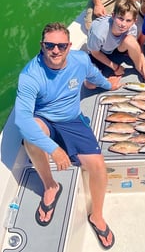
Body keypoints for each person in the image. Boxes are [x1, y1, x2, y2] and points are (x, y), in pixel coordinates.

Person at [14, 22, 122, 249]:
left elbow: (94, 76)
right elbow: (22, 120)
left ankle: (97, 215)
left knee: (98, 166)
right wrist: (53, 148)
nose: (55, 50)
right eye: (50, 45)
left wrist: (108, 85)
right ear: (42, 46)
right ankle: (50, 186)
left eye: (61, 46)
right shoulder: (30, 75)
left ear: (69, 46)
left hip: (72, 120)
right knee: (31, 135)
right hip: (43, 119)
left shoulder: (80, 60)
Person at [87, 0, 145, 82]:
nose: (123, 24)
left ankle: (138, 66)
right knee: (90, 84)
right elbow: (95, 53)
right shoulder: (99, 33)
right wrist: (115, 67)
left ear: (134, 21)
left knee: (131, 41)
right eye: (120, 18)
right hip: (100, 52)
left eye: (128, 20)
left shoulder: (132, 27)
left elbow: (136, 45)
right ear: (113, 16)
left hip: (116, 48)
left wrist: (144, 65)